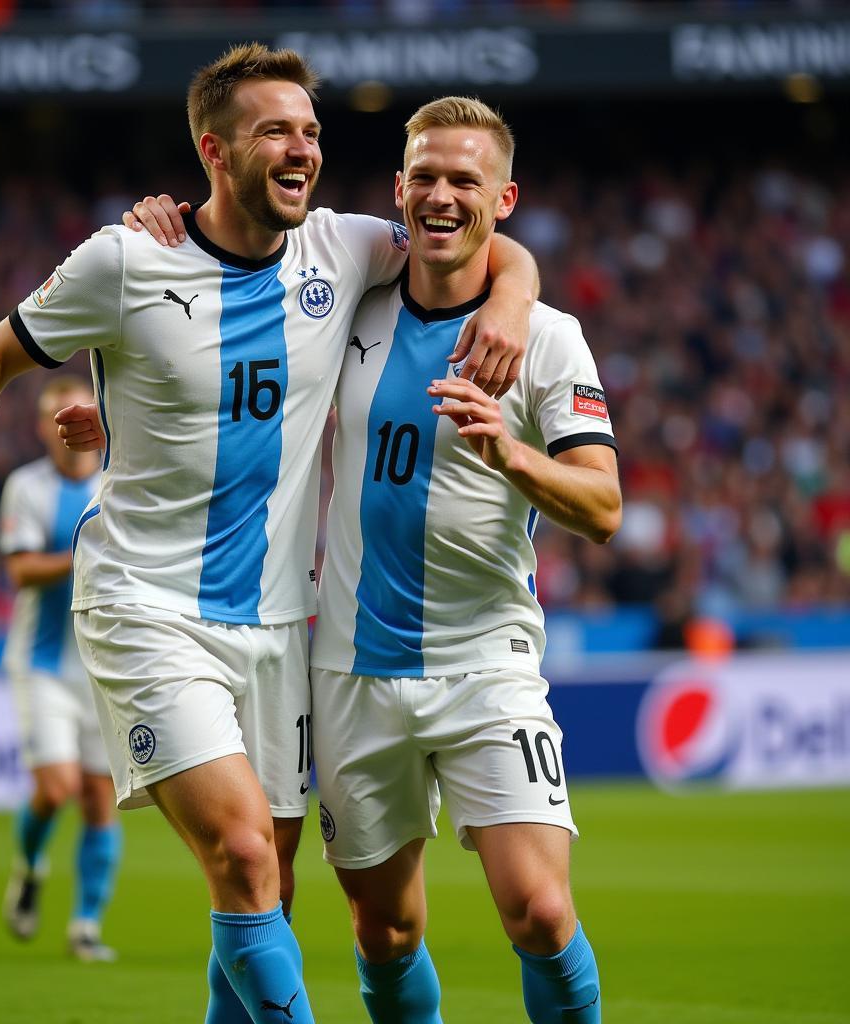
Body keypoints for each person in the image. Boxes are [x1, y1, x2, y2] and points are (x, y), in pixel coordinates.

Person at [0, 44, 538, 1024]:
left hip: (279, 622)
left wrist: (509, 298)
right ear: (213, 150)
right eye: (274, 132)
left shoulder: (341, 247)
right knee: (244, 855)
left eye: (311, 133)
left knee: (267, 894)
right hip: (145, 605)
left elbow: (477, 235)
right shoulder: (126, 260)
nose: (302, 150)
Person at [307, 97, 621, 1023]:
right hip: (349, 670)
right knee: (385, 932)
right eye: (427, 179)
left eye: (466, 182)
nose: (442, 197)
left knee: (540, 909)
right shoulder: (340, 307)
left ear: (505, 198)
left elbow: (604, 507)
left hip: (487, 664)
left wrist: (512, 455)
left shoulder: (548, 336)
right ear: (398, 190)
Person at [0, 375, 120, 962]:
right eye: (54, 420)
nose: (64, 430)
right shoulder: (27, 488)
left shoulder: (117, 483)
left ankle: (86, 925)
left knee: (101, 799)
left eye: (73, 416)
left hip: (102, 664)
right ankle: (29, 864)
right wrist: (86, 553)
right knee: (58, 787)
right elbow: (20, 571)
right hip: (42, 662)